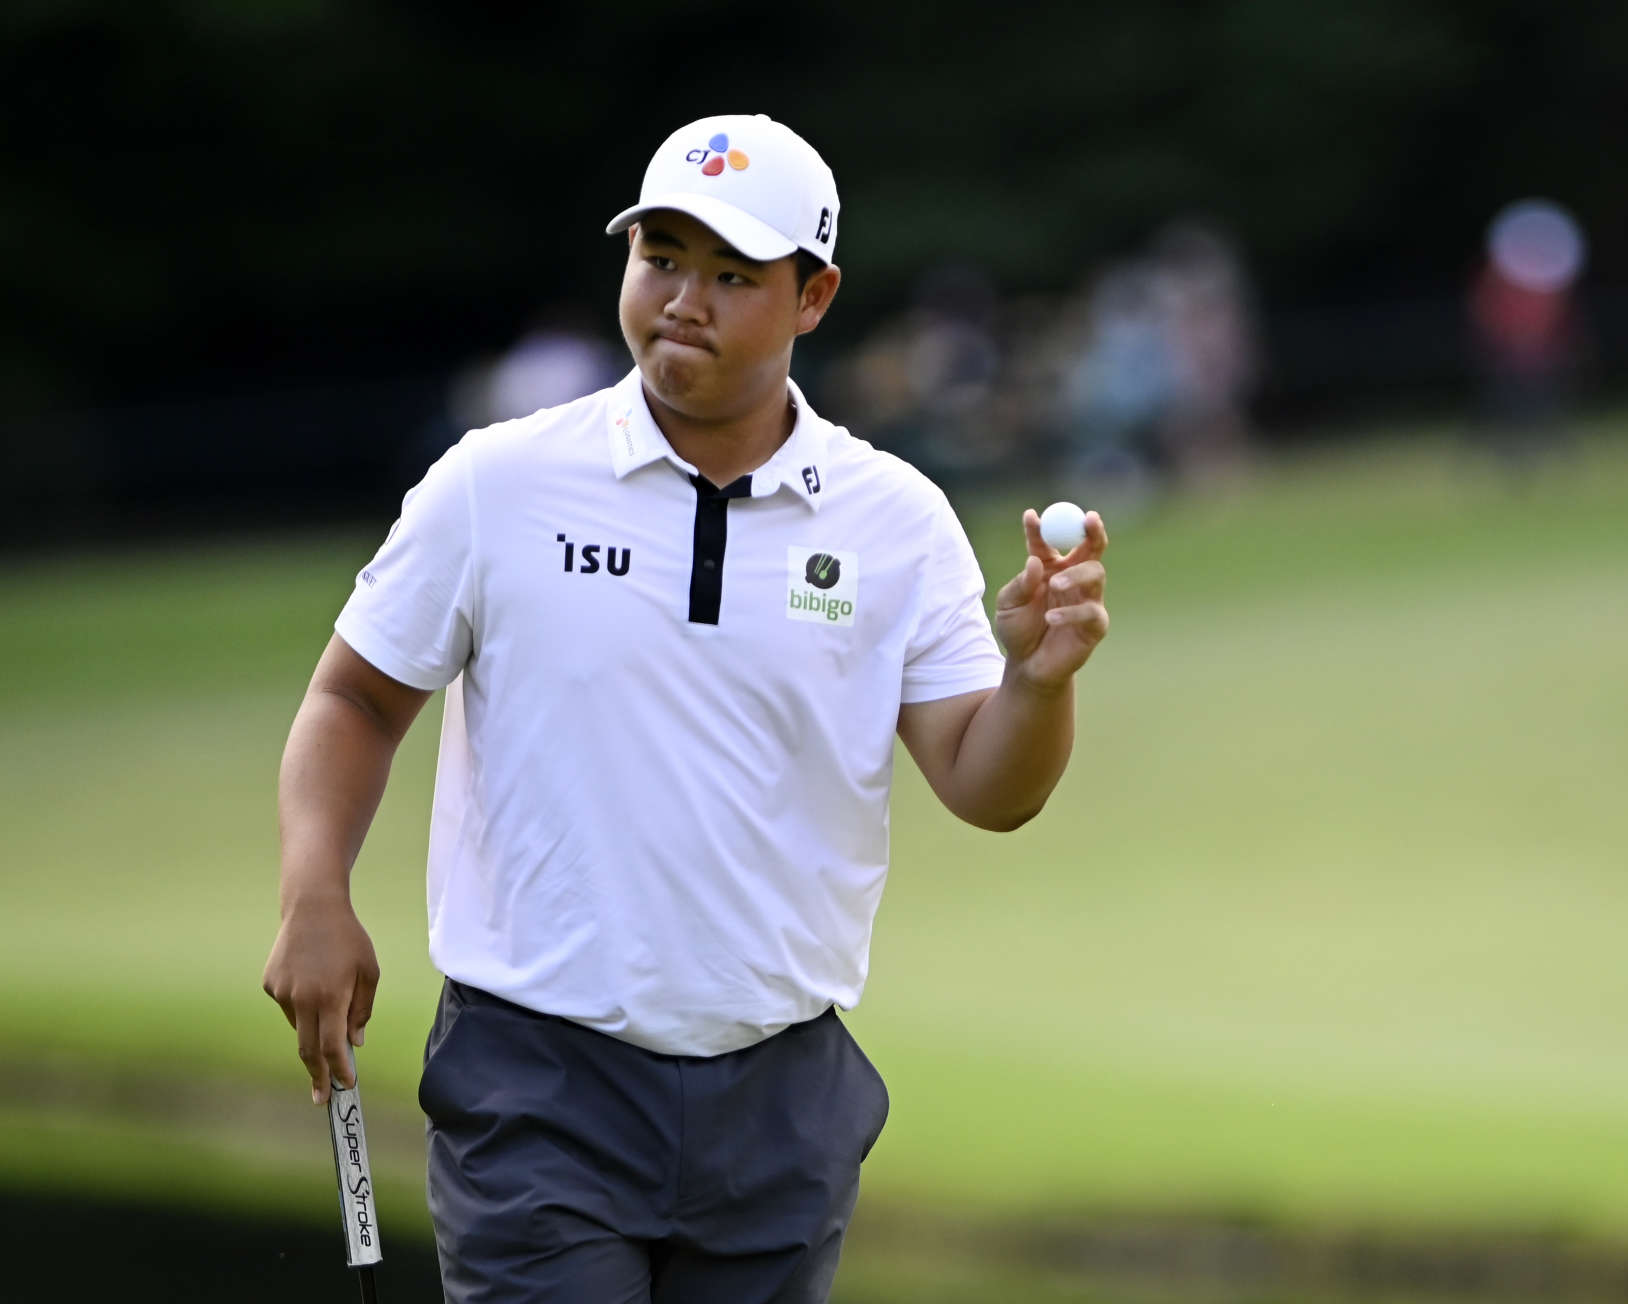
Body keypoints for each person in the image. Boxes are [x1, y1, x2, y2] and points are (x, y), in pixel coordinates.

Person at [259, 113, 1111, 1303]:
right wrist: (316, 890)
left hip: (781, 1099)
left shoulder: (895, 519)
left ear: (814, 299)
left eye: (732, 275)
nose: (683, 299)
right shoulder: (495, 484)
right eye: (661, 257)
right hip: (536, 1082)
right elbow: (355, 693)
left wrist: (1036, 682)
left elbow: (989, 785)